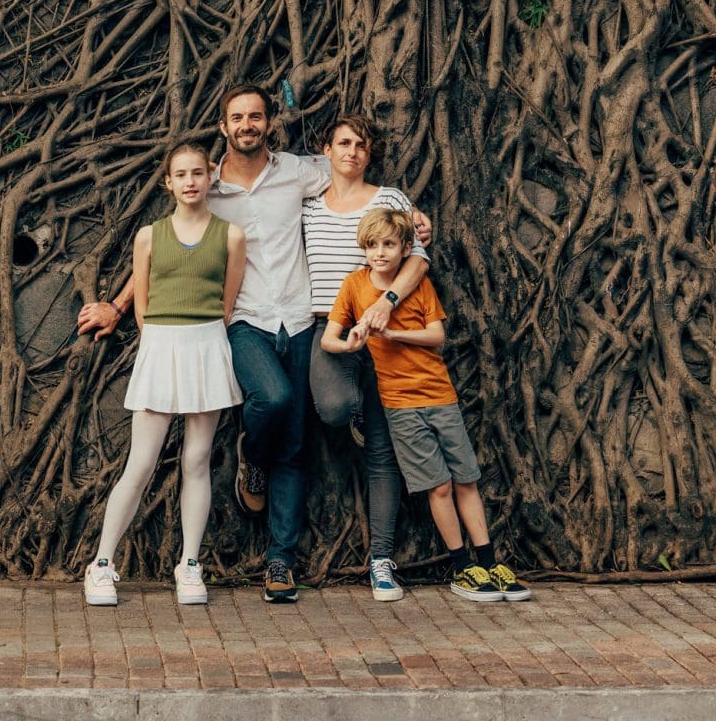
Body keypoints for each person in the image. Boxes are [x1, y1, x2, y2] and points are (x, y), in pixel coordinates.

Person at [79, 84, 330, 605]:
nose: (247, 124)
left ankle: (211, 564)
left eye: (256, 116)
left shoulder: (296, 173)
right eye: (237, 117)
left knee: (229, 451)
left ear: (268, 122)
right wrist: (119, 308)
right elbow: (158, 268)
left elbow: (349, 178)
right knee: (145, 459)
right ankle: (102, 562)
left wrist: (404, 214)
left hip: (265, 325)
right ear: (223, 127)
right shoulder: (202, 192)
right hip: (203, 336)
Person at [321, 207, 531, 603]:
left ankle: (488, 560)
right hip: (399, 405)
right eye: (372, 245)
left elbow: (437, 336)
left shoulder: (418, 286)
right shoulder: (354, 286)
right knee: (439, 486)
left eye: (388, 245)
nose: (379, 253)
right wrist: (350, 342)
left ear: (405, 249)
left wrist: (393, 332)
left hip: (440, 396)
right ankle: (461, 566)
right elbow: (328, 339)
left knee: (466, 478)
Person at [83, 140, 246, 608]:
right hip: (161, 346)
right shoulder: (150, 236)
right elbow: (144, 307)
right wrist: (162, 337)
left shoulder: (231, 235)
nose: (191, 182)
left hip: (208, 345)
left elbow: (227, 301)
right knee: (141, 462)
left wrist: (204, 334)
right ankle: (101, 564)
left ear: (211, 176)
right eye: (182, 174)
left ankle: (190, 564)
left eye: (198, 172)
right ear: (168, 182)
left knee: (197, 460)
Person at [303, 115, 431, 602]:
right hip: (330, 326)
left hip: (389, 331)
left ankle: (381, 559)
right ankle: (356, 411)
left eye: (360, 145)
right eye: (343, 143)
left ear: (369, 154)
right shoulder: (309, 204)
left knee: (384, 453)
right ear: (326, 151)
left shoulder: (390, 198)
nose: (352, 151)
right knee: (334, 407)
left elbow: (418, 258)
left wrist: (386, 303)